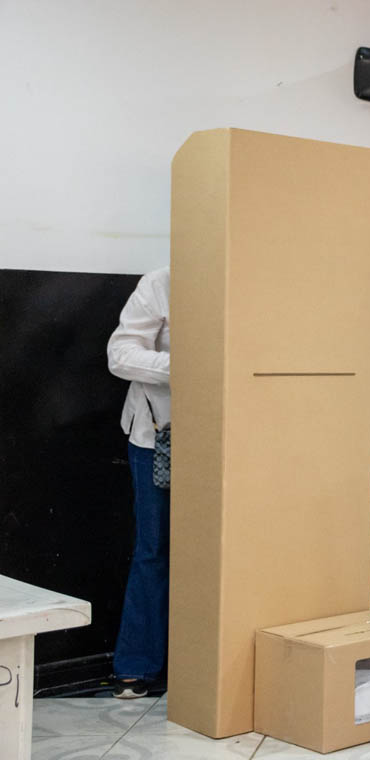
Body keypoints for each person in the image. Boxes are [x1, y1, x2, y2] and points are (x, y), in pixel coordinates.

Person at [107, 266, 171, 699]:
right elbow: (120, 355)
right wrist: (199, 361)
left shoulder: (259, 282)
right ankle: (136, 666)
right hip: (159, 437)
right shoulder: (162, 282)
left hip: (235, 436)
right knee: (155, 548)